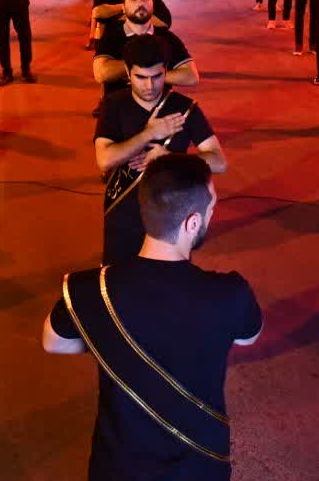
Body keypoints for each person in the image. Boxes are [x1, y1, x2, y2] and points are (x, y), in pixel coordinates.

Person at [42, 153, 262, 480]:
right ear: (192, 223)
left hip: (118, 468)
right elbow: (248, 336)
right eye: (211, 206)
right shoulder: (230, 294)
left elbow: (53, 342)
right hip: (200, 466)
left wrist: (107, 339)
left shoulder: (90, 289)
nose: (213, 213)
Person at [94, 35, 224, 264]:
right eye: (141, 77)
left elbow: (219, 162)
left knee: (168, 281)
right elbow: (104, 159)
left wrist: (170, 159)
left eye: (157, 76)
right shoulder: (114, 105)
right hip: (123, 213)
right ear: (128, 72)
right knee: (120, 276)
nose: (150, 86)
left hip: (172, 218)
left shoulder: (185, 108)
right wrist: (149, 133)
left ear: (165, 71)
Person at [94, 0, 197, 100]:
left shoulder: (167, 38)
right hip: (119, 104)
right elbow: (101, 74)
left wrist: (151, 75)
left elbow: (191, 77)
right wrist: (143, 62)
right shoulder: (111, 36)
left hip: (158, 105)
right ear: (123, 6)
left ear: (153, 4)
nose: (140, 4)